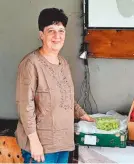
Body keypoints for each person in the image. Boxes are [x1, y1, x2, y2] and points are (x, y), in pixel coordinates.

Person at [15, 8, 94, 163]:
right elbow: (25, 105)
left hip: (63, 143)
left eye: (61, 31)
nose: (57, 36)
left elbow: (67, 98)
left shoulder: (63, 63)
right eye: (51, 31)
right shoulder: (31, 64)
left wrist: (83, 115)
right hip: (42, 148)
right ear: (41, 35)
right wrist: (34, 142)